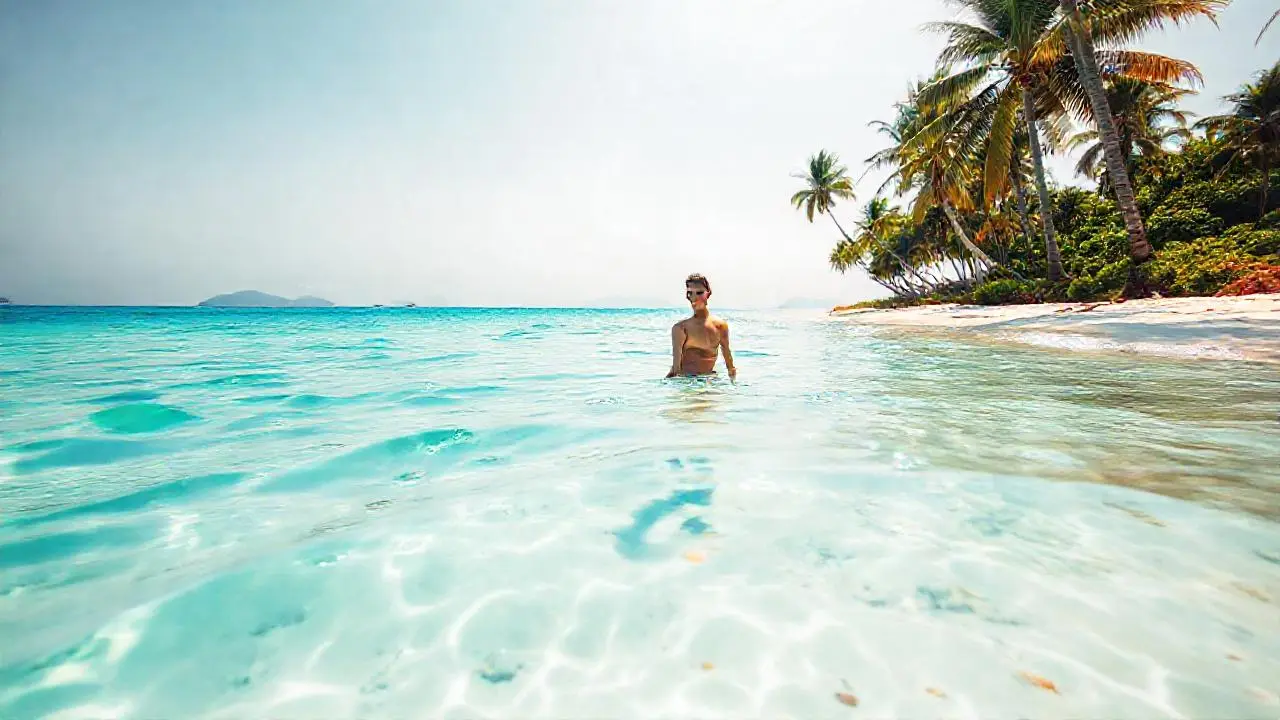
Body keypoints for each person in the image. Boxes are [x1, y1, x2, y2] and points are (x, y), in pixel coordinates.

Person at [666, 273, 736, 381]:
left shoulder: (721, 326)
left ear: (708, 294)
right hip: (687, 382)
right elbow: (676, 369)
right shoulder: (681, 328)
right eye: (690, 293)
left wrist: (734, 387)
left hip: (709, 380)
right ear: (687, 296)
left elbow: (730, 365)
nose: (694, 297)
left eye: (699, 293)